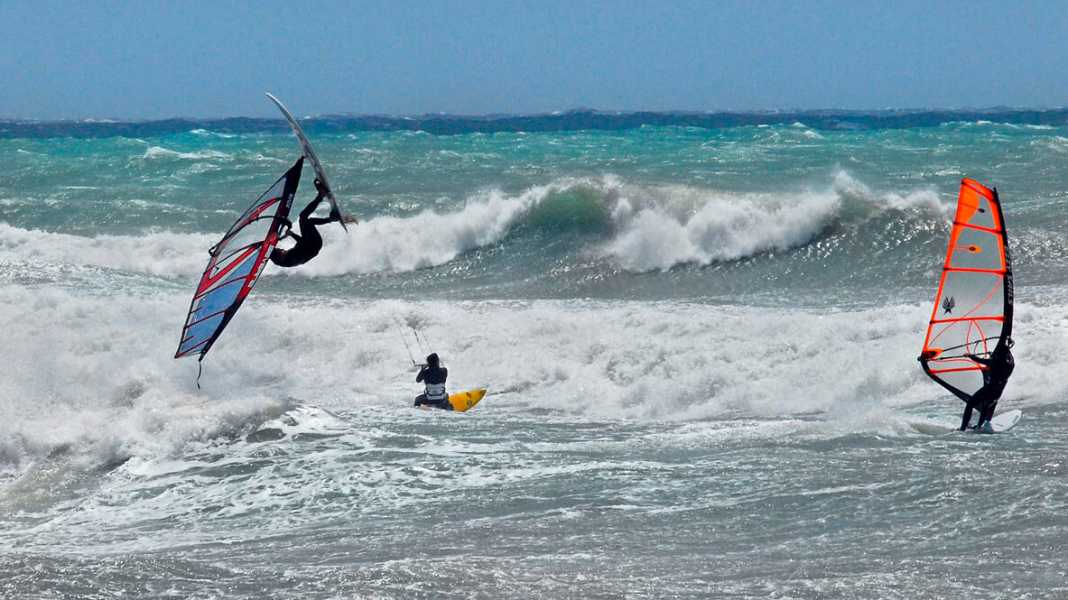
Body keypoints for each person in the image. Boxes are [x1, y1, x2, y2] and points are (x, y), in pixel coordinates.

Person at [270, 178, 356, 268]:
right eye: (281, 251)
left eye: (280, 249)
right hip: (314, 244)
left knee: (305, 219)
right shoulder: (291, 258)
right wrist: (291, 234)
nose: (283, 249)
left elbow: (302, 244)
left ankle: (325, 205)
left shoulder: (285, 259)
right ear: (280, 258)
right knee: (304, 218)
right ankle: (322, 200)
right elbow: (302, 243)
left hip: (309, 243)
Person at [959, 338, 1015, 432]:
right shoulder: (1010, 361)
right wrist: (993, 354)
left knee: (970, 404)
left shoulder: (995, 362)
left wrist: (970, 356)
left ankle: (962, 429)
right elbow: (1004, 352)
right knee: (986, 405)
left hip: (990, 389)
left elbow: (981, 360)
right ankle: (979, 427)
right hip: (998, 391)